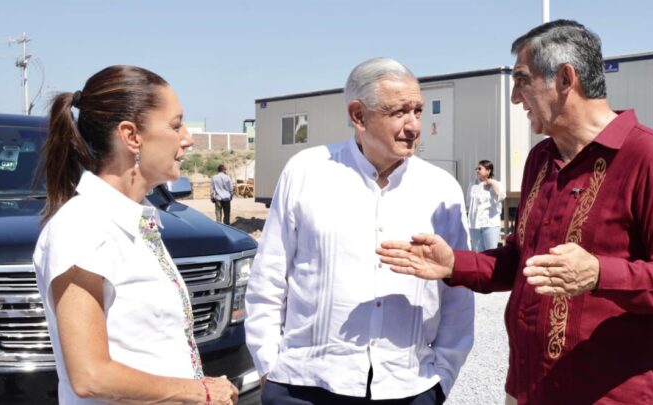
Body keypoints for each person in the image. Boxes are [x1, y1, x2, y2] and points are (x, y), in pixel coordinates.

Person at [377, 20, 653, 405]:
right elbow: (522, 261)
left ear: (566, 78)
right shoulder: (541, 158)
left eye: (522, 80)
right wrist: (453, 263)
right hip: (527, 389)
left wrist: (600, 274)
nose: (515, 98)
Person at [245, 57, 474, 405]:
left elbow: (458, 294)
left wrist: (441, 379)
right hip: (304, 385)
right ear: (358, 115)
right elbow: (269, 278)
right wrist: (269, 367)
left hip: (408, 387)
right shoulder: (306, 172)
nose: (414, 126)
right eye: (399, 112)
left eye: (418, 110)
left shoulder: (442, 189)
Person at [33, 65, 239, 404]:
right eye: (175, 125)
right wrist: (198, 391)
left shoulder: (134, 221)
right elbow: (89, 376)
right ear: (131, 136)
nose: (187, 138)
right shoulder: (82, 226)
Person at [467, 159, 506, 251]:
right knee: (478, 252)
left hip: (490, 224)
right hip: (474, 225)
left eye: (480, 168)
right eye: (477, 168)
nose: (477, 171)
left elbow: (501, 196)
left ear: (488, 171)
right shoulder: (472, 185)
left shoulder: (497, 184)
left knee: (491, 251)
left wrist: (492, 184)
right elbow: (468, 202)